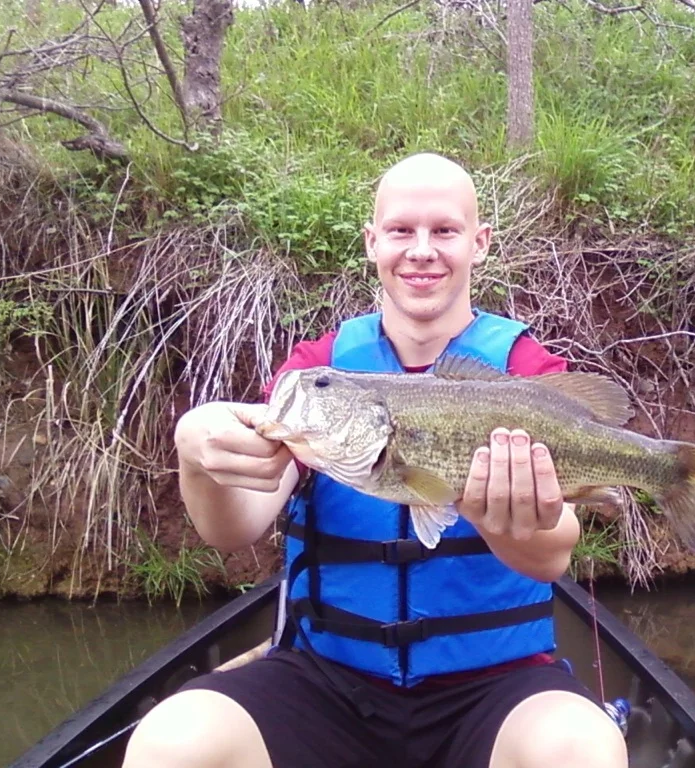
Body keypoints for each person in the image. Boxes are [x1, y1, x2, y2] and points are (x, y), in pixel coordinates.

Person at [123, 152, 629, 768]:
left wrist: (505, 518)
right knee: (172, 741)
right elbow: (234, 529)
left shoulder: (524, 374)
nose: (421, 250)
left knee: (583, 751)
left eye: (444, 230)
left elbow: (553, 555)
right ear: (372, 242)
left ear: (480, 244)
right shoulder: (320, 373)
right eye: (400, 231)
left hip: (498, 686)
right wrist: (196, 453)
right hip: (326, 681)